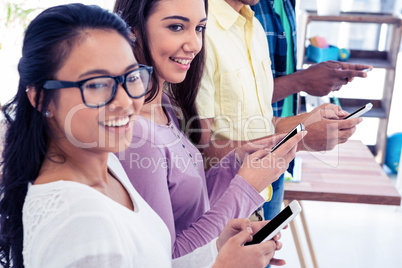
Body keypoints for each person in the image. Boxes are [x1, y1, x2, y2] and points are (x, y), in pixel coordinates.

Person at [0, 4, 284, 268]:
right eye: (97, 84)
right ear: (39, 98)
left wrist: (220, 246)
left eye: (131, 77)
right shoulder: (79, 222)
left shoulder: (106, 166)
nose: (125, 102)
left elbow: (155, 257)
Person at [114, 0, 305, 261]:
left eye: (200, 28)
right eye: (177, 26)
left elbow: (192, 206)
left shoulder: (165, 106)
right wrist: (246, 187)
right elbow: (166, 256)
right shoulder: (137, 133)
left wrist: (233, 165)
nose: (194, 44)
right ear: (133, 29)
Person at [195, 0, 367, 222]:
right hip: (218, 213)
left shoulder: (254, 28)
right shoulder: (200, 34)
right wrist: (300, 139)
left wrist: (310, 121)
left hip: (255, 202)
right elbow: (197, 154)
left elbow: (263, 121)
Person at [250, 0, 373, 222]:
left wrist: (316, 76)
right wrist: (302, 81)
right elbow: (239, 98)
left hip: (281, 154)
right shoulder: (244, 6)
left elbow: (269, 76)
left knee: (263, 250)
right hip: (250, 157)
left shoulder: (286, 3)